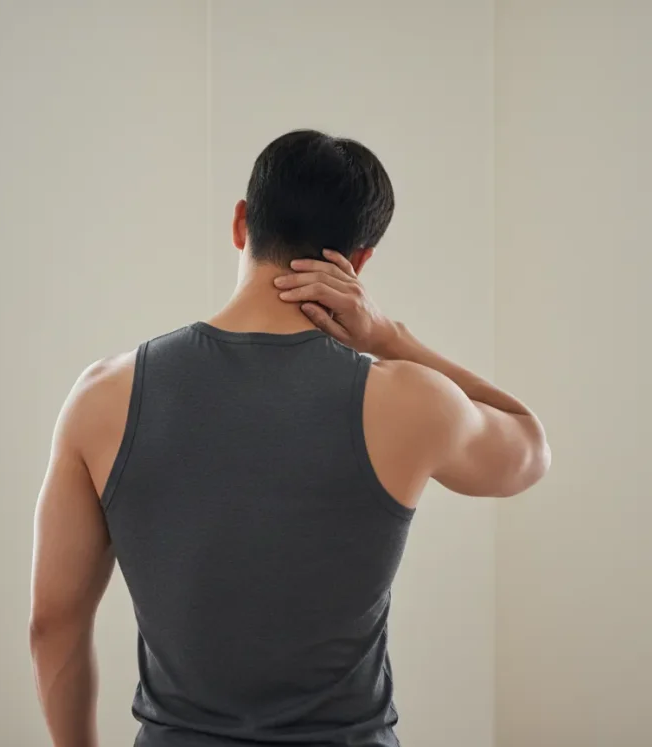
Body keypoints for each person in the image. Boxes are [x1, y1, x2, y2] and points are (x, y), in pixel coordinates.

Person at [29, 129, 550, 747]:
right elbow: (528, 447)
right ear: (359, 263)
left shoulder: (103, 396)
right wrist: (390, 337)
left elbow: (52, 626)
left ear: (241, 222)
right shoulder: (412, 401)